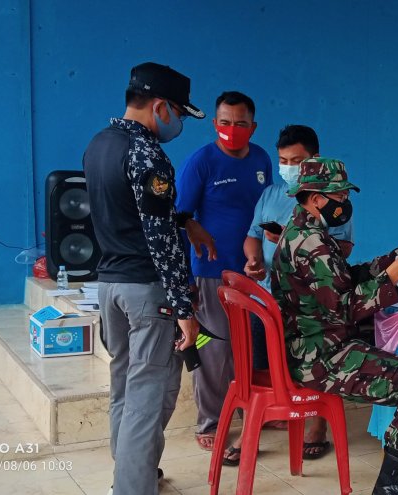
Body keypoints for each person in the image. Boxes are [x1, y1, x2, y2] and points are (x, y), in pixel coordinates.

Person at [272, 158, 398, 495]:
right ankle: (390, 484)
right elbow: (345, 309)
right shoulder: (311, 243)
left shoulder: (303, 232)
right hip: (320, 358)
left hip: (315, 345)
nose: (345, 203)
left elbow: (343, 279)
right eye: (340, 196)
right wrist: (397, 272)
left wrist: (396, 257)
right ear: (317, 199)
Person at [82, 61, 205, 495]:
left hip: (110, 285)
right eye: (179, 112)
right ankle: (131, 488)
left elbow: (122, 214)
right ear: (160, 106)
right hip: (146, 292)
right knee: (148, 397)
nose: (178, 123)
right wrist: (185, 308)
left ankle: (131, 474)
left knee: (124, 386)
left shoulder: (98, 145)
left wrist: (184, 220)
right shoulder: (147, 154)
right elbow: (159, 239)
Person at [227, 124, 350, 464]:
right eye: (283, 160)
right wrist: (254, 260)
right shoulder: (271, 194)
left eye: (296, 161)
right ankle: (252, 428)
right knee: (256, 366)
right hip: (267, 296)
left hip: (311, 302)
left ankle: (316, 428)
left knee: (313, 363)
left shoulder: (331, 199)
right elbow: (252, 235)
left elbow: (344, 248)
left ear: (314, 159)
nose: (288, 167)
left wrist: (293, 240)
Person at [174, 91, 274, 451]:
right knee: (213, 349)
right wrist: (186, 280)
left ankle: (251, 411)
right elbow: (179, 219)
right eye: (226, 122)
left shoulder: (261, 159)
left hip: (253, 272)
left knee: (249, 346)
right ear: (215, 123)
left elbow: (266, 212)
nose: (232, 129)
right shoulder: (201, 162)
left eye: (241, 123)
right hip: (211, 271)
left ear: (253, 127)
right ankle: (211, 423)